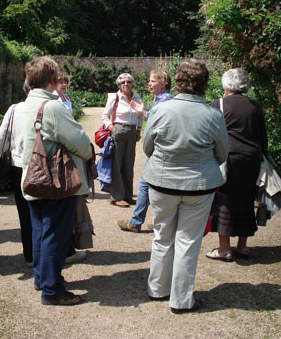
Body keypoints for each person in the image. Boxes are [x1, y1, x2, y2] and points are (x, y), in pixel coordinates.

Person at [143, 59, 228, 313]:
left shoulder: (160, 110)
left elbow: (148, 147)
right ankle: (181, 300)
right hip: (198, 187)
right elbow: (222, 154)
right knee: (188, 241)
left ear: (178, 82)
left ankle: (157, 289)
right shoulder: (213, 114)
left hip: (162, 182)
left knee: (162, 236)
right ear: (204, 84)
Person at [20, 56, 92, 306]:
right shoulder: (52, 107)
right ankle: (51, 290)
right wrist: (88, 151)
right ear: (52, 80)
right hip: (55, 181)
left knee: (40, 232)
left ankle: (42, 278)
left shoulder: (22, 106)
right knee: (55, 235)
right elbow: (81, 143)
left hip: (31, 178)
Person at [207, 68, 268, 261]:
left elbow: (211, 134)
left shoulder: (219, 104)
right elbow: (262, 136)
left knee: (224, 200)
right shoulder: (254, 105)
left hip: (228, 159)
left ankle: (224, 249)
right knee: (246, 200)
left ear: (226, 85)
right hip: (251, 159)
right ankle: (242, 247)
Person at [117, 69, 173, 232]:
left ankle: (136, 222)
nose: (149, 83)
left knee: (145, 185)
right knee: (154, 186)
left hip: (158, 150)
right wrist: (142, 110)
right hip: (160, 149)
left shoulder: (164, 100)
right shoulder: (163, 98)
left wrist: (142, 111)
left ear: (163, 83)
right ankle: (158, 222)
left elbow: (159, 123)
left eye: (153, 81)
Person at [0, 80, 33, 267]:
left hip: (17, 165)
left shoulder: (13, 109)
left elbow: (1, 138)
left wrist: (3, 158)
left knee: (24, 211)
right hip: (39, 166)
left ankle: (29, 254)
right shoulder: (48, 106)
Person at [52, 70, 88, 264]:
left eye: (65, 82)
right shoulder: (54, 102)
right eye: (60, 82)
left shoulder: (65, 98)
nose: (64, 85)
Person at [101, 73, 143, 207]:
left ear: (132, 83)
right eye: (123, 82)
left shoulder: (136, 97)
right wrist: (112, 128)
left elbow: (140, 114)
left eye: (128, 82)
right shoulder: (114, 97)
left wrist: (139, 129)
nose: (126, 84)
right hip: (118, 130)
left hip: (131, 131)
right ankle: (117, 196)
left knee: (129, 165)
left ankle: (128, 195)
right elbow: (105, 116)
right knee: (117, 164)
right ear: (119, 85)